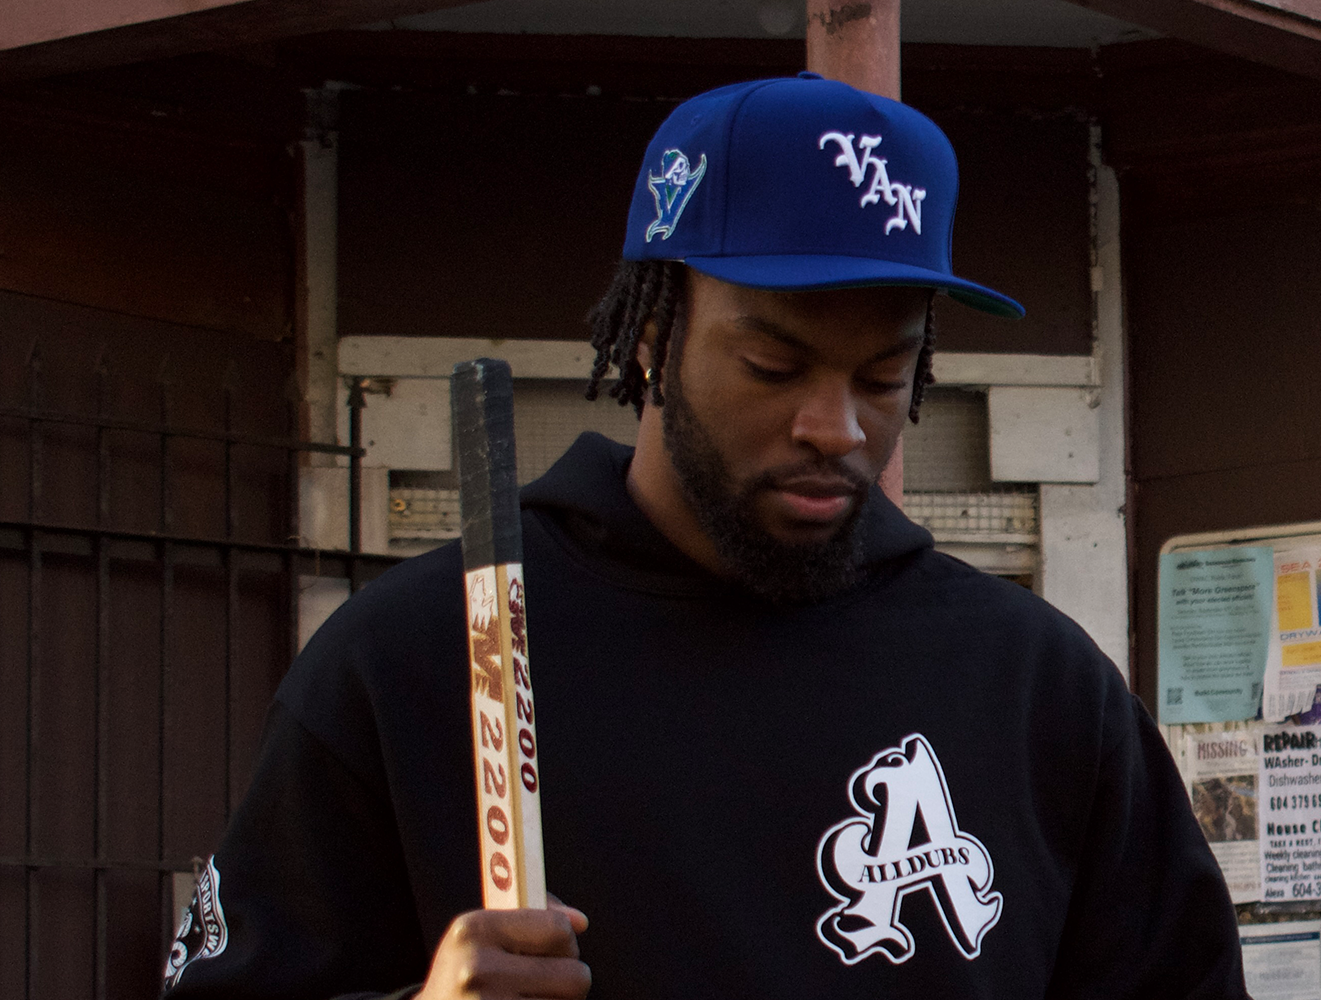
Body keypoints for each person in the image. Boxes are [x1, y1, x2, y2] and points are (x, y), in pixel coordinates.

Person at [164, 74, 1246, 999]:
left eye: (883, 376)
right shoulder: (418, 660)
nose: (835, 427)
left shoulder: (1034, 686)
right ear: (650, 332)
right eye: (773, 365)